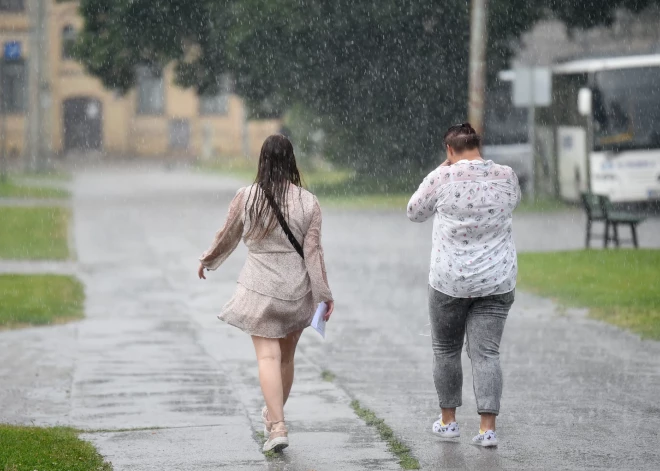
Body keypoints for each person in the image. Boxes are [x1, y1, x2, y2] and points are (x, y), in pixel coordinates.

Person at [198, 134, 334, 453]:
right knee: (285, 358)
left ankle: (277, 425)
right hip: (296, 289)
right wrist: (324, 294)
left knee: (267, 357)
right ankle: (275, 418)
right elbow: (313, 252)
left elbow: (228, 235)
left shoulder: (247, 196)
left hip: (260, 287)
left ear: (263, 161)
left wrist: (208, 259)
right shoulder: (308, 201)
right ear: (291, 162)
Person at [407, 122, 520, 447]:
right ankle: (487, 430)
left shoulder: (441, 177)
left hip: (449, 282)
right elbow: (513, 202)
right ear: (477, 146)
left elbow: (414, 212)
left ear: (450, 150)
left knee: (445, 350)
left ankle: (448, 422)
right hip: (496, 280)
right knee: (486, 353)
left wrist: (442, 169)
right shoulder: (506, 175)